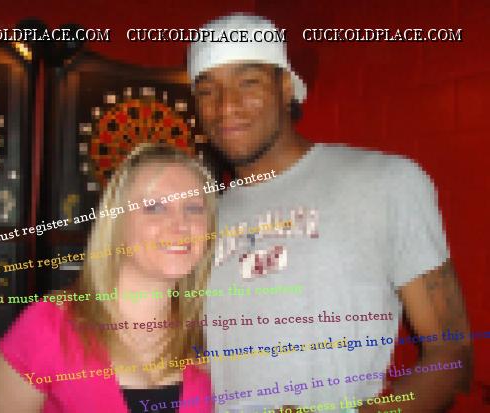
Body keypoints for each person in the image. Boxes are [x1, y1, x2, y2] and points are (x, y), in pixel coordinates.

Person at [188, 13, 472, 413]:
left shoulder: (387, 182)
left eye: (248, 82)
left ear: (285, 87)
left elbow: (452, 354)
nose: (226, 107)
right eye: (207, 91)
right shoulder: (198, 218)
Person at [0, 144, 217, 413]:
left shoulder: (213, 330)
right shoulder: (47, 327)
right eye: (154, 207)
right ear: (116, 222)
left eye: (194, 208)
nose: (181, 224)